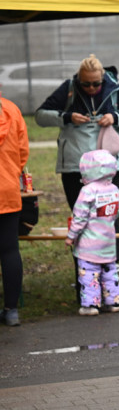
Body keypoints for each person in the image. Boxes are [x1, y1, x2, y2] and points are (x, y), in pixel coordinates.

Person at [35, 54, 119, 262]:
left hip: (109, 168)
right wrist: (67, 117)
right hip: (76, 167)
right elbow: (40, 115)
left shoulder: (114, 89)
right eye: (86, 84)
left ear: (103, 78)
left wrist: (115, 117)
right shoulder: (68, 89)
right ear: (78, 80)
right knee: (82, 218)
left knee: (110, 218)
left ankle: (111, 268)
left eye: (96, 84)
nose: (92, 88)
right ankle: (84, 268)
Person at [65, 149, 119, 316]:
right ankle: (113, 301)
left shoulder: (88, 191)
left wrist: (71, 236)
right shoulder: (114, 189)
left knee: (89, 273)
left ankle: (91, 305)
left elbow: (80, 217)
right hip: (108, 241)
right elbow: (117, 212)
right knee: (110, 272)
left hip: (89, 244)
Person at [0, 89, 29, 327]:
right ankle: (11, 310)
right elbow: (22, 152)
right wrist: (12, 173)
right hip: (7, 189)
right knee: (9, 250)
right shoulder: (11, 109)